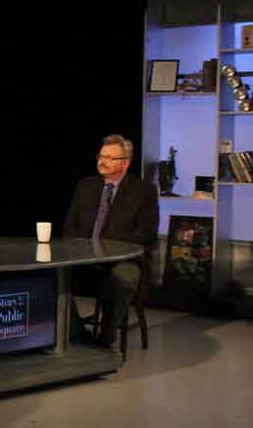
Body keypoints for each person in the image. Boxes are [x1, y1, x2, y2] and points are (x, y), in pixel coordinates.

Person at [63, 134, 158, 349]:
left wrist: (106, 248)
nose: (102, 161)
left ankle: (106, 338)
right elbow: (70, 227)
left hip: (126, 260)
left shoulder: (144, 192)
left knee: (120, 278)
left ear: (125, 163)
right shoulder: (85, 186)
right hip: (84, 258)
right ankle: (78, 333)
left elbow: (145, 234)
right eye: (101, 155)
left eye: (109, 157)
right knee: (51, 276)